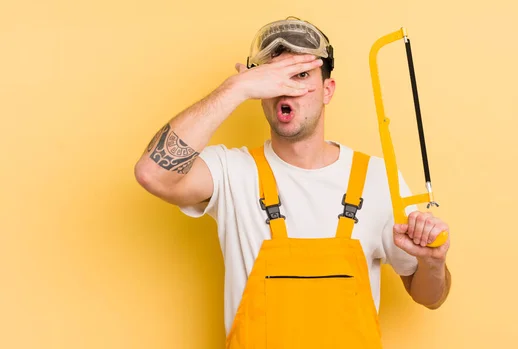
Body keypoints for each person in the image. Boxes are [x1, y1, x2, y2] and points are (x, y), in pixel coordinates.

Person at [134, 16, 451, 348]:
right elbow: (152, 173)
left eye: (300, 75)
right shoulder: (232, 172)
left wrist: (433, 261)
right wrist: (235, 88)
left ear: (327, 90)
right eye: (273, 76)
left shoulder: (377, 178)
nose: (286, 88)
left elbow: (430, 296)